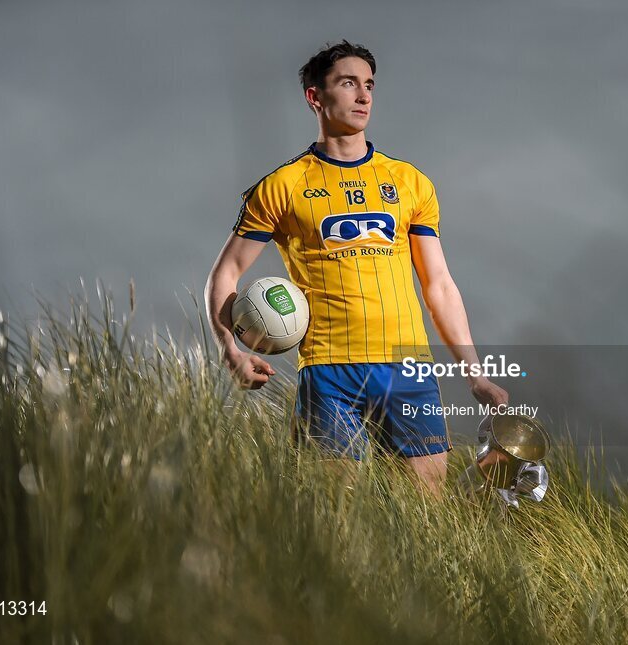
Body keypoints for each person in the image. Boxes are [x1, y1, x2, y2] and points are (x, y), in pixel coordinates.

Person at [205, 40, 507, 496]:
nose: (364, 96)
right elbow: (224, 275)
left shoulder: (409, 182)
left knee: (428, 521)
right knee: (337, 525)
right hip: (329, 371)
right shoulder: (281, 187)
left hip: (409, 371)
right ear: (315, 97)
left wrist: (475, 372)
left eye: (369, 85)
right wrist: (231, 349)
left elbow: (439, 285)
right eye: (348, 84)